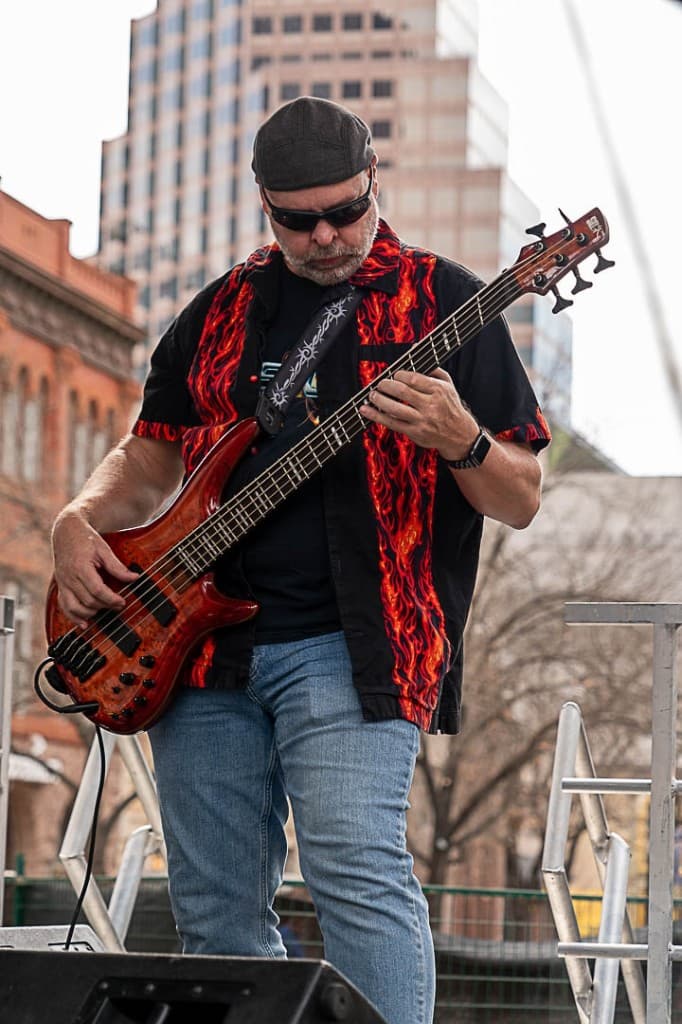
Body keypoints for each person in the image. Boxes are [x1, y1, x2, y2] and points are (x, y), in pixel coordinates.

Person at [50, 97, 551, 1024]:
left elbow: (520, 497)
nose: (325, 236)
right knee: (212, 909)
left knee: (354, 870)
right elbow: (151, 450)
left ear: (373, 187)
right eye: (298, 218)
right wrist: (78, 519)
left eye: (344, 211)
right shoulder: (220, 312)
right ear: (264, 206)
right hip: (194, 651)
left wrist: (464, 441)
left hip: (355, 646)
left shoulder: (446, 301)